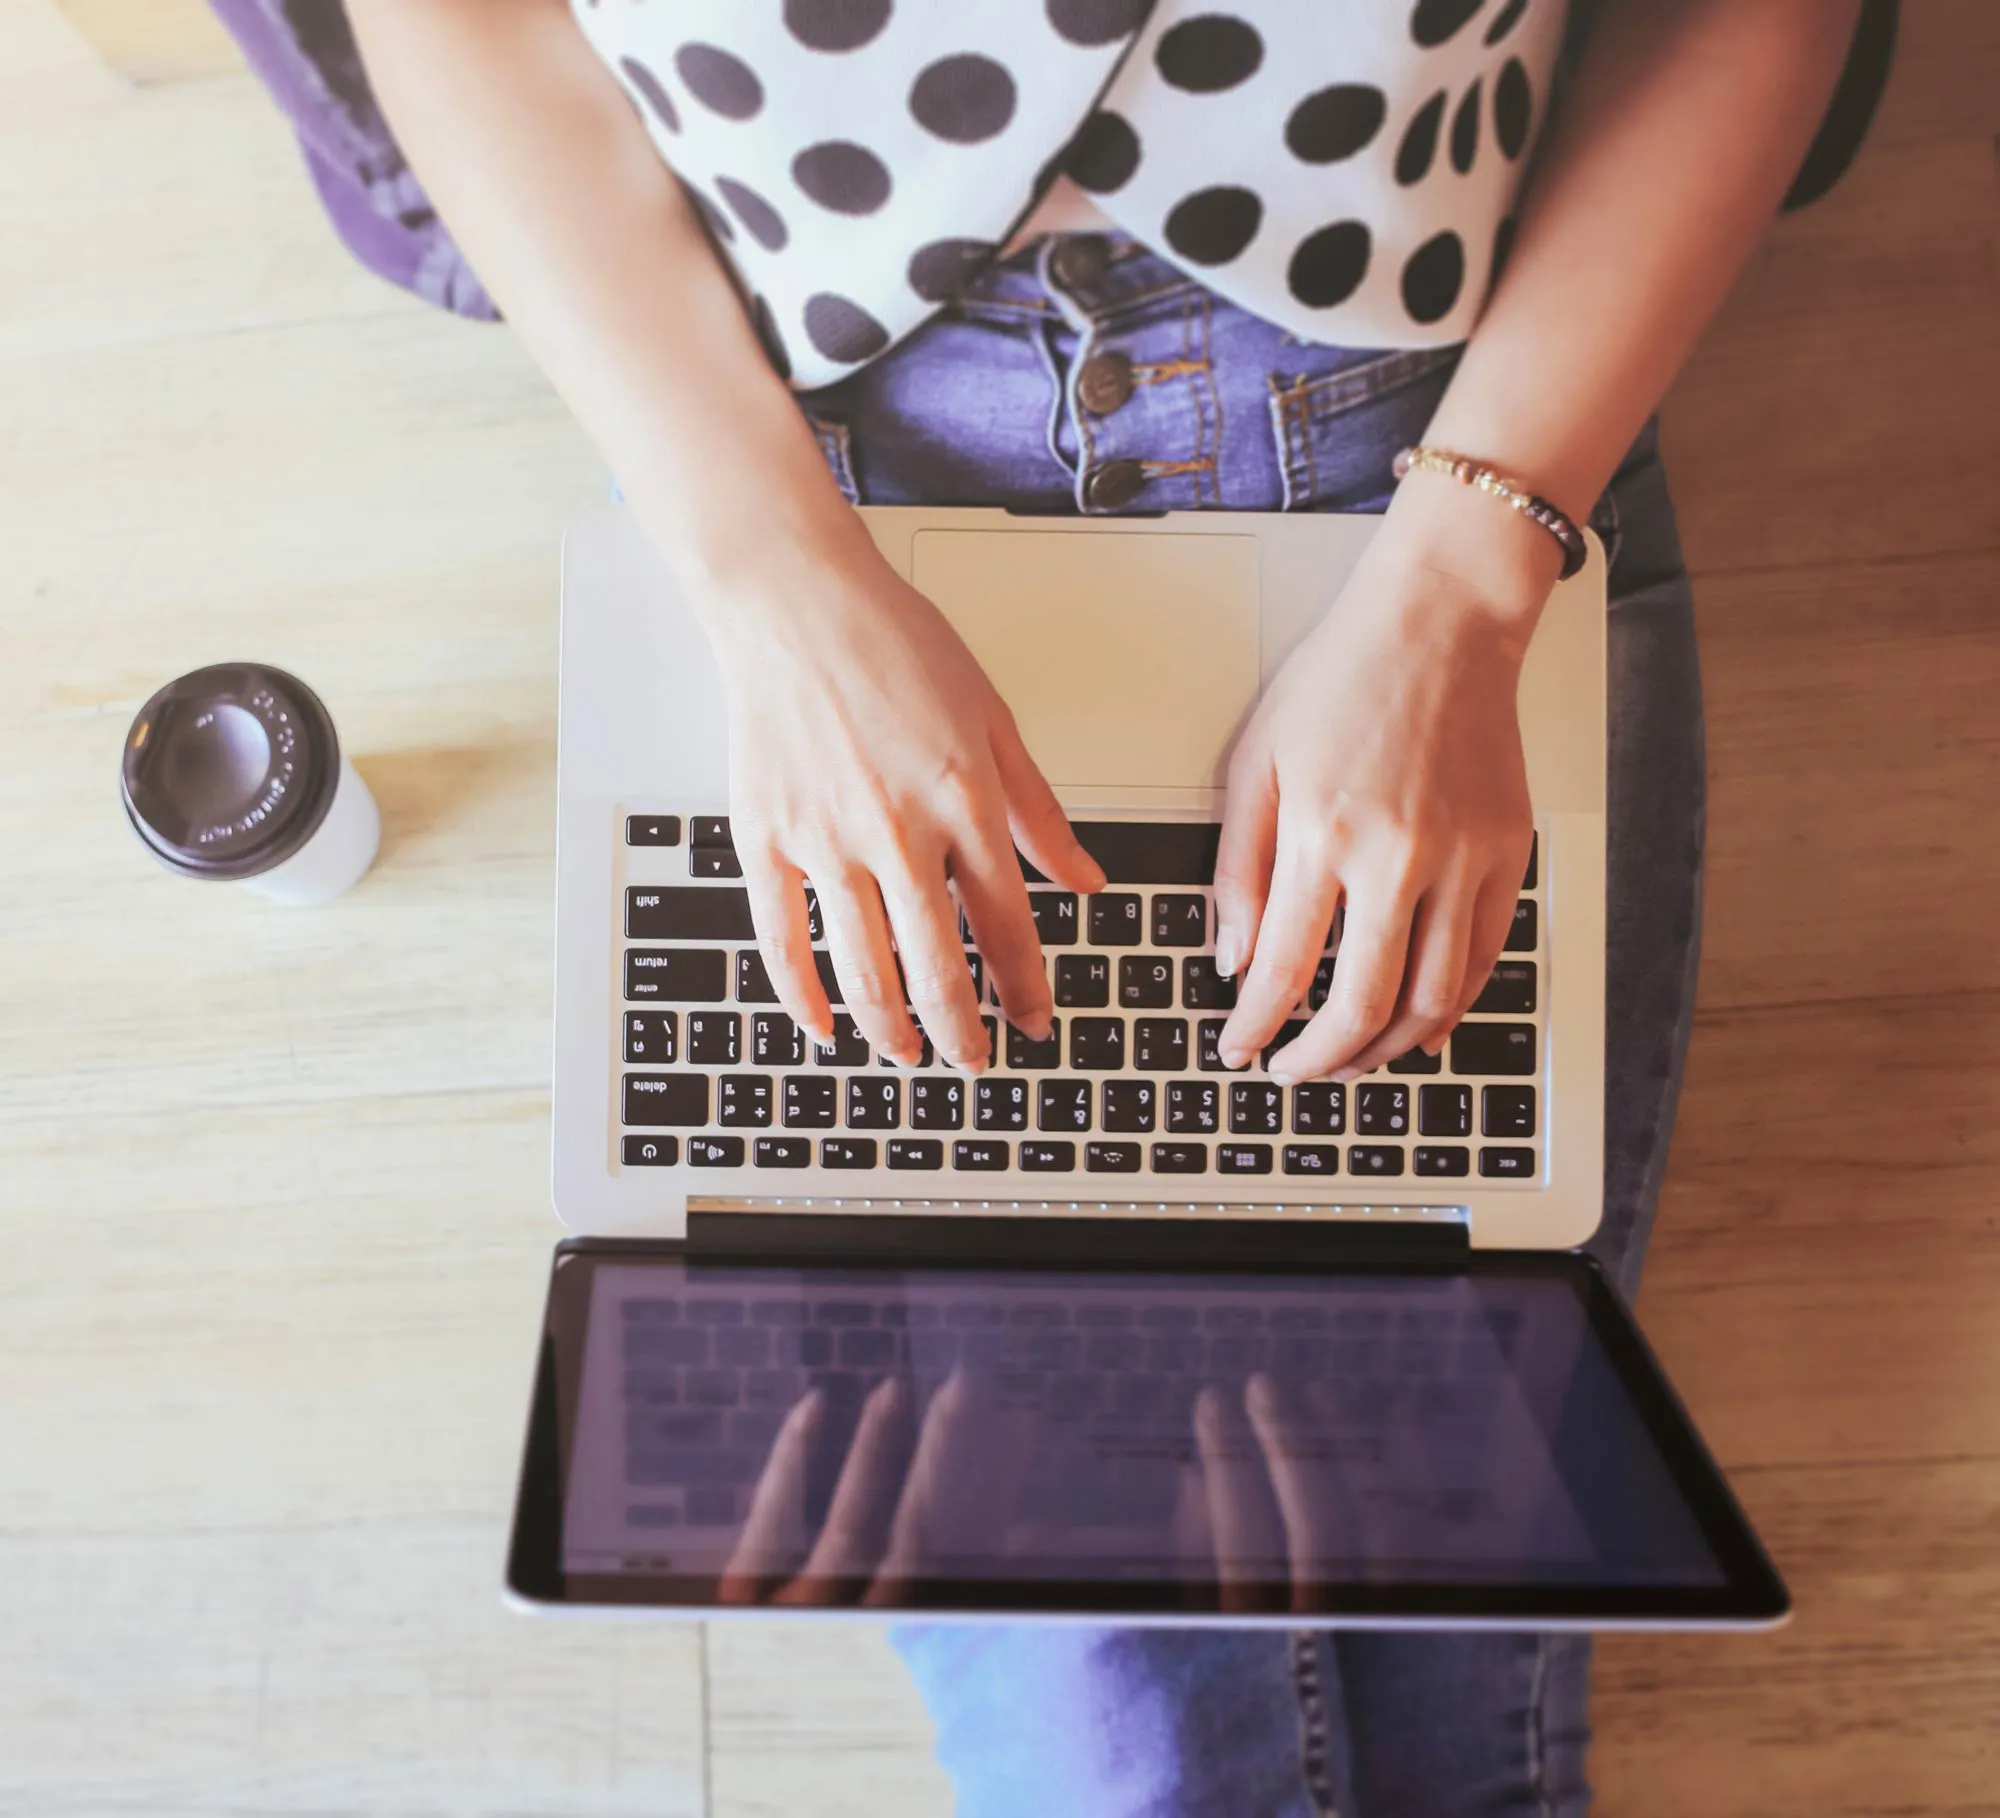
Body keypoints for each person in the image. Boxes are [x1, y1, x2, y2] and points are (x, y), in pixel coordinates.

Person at [219, 2, 1859, 1810]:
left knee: (1404, 1639)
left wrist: (1464, 589)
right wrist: (772, 587)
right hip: (802, 463)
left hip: (1447, 441)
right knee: (1148, 1732)